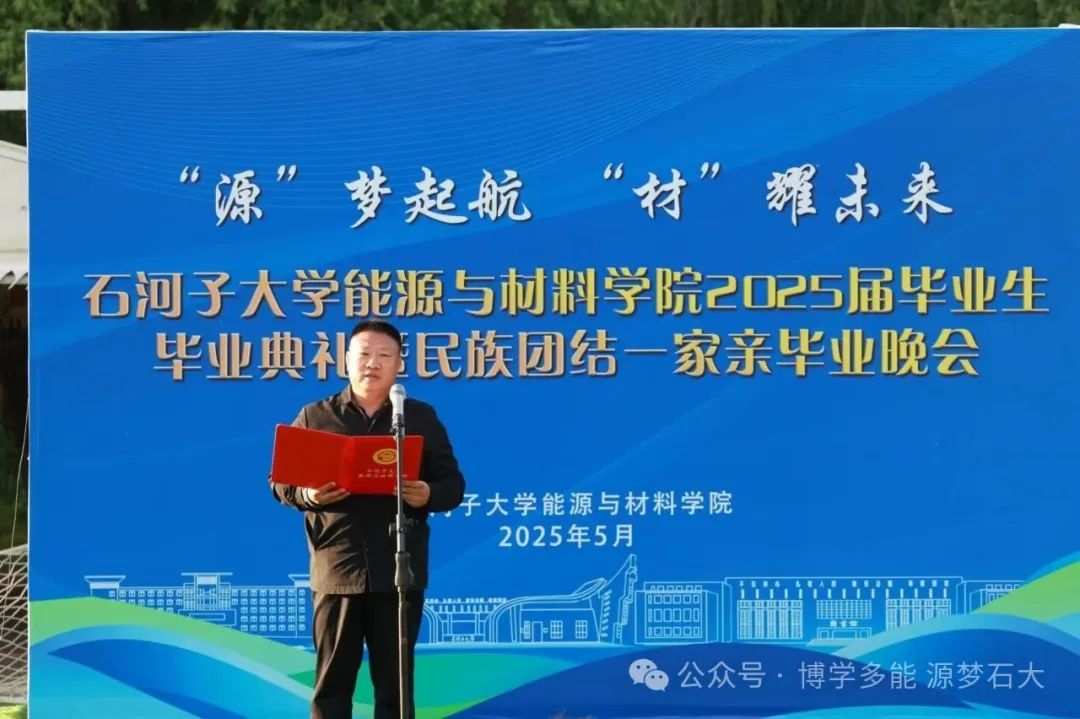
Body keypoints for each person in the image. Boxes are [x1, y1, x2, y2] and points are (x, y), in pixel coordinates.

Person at [269, 319, 466, 719]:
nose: (372, 363)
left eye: (383, 355)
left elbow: (453, 484)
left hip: (398, 571)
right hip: (337, 567)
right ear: (345, 360)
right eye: (363, 354)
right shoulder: (315, 416)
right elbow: (280, 484)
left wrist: (428, 493)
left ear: (399, 364)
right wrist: (308, 495)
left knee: (395, 687)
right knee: (332, 686)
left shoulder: (419, 417)